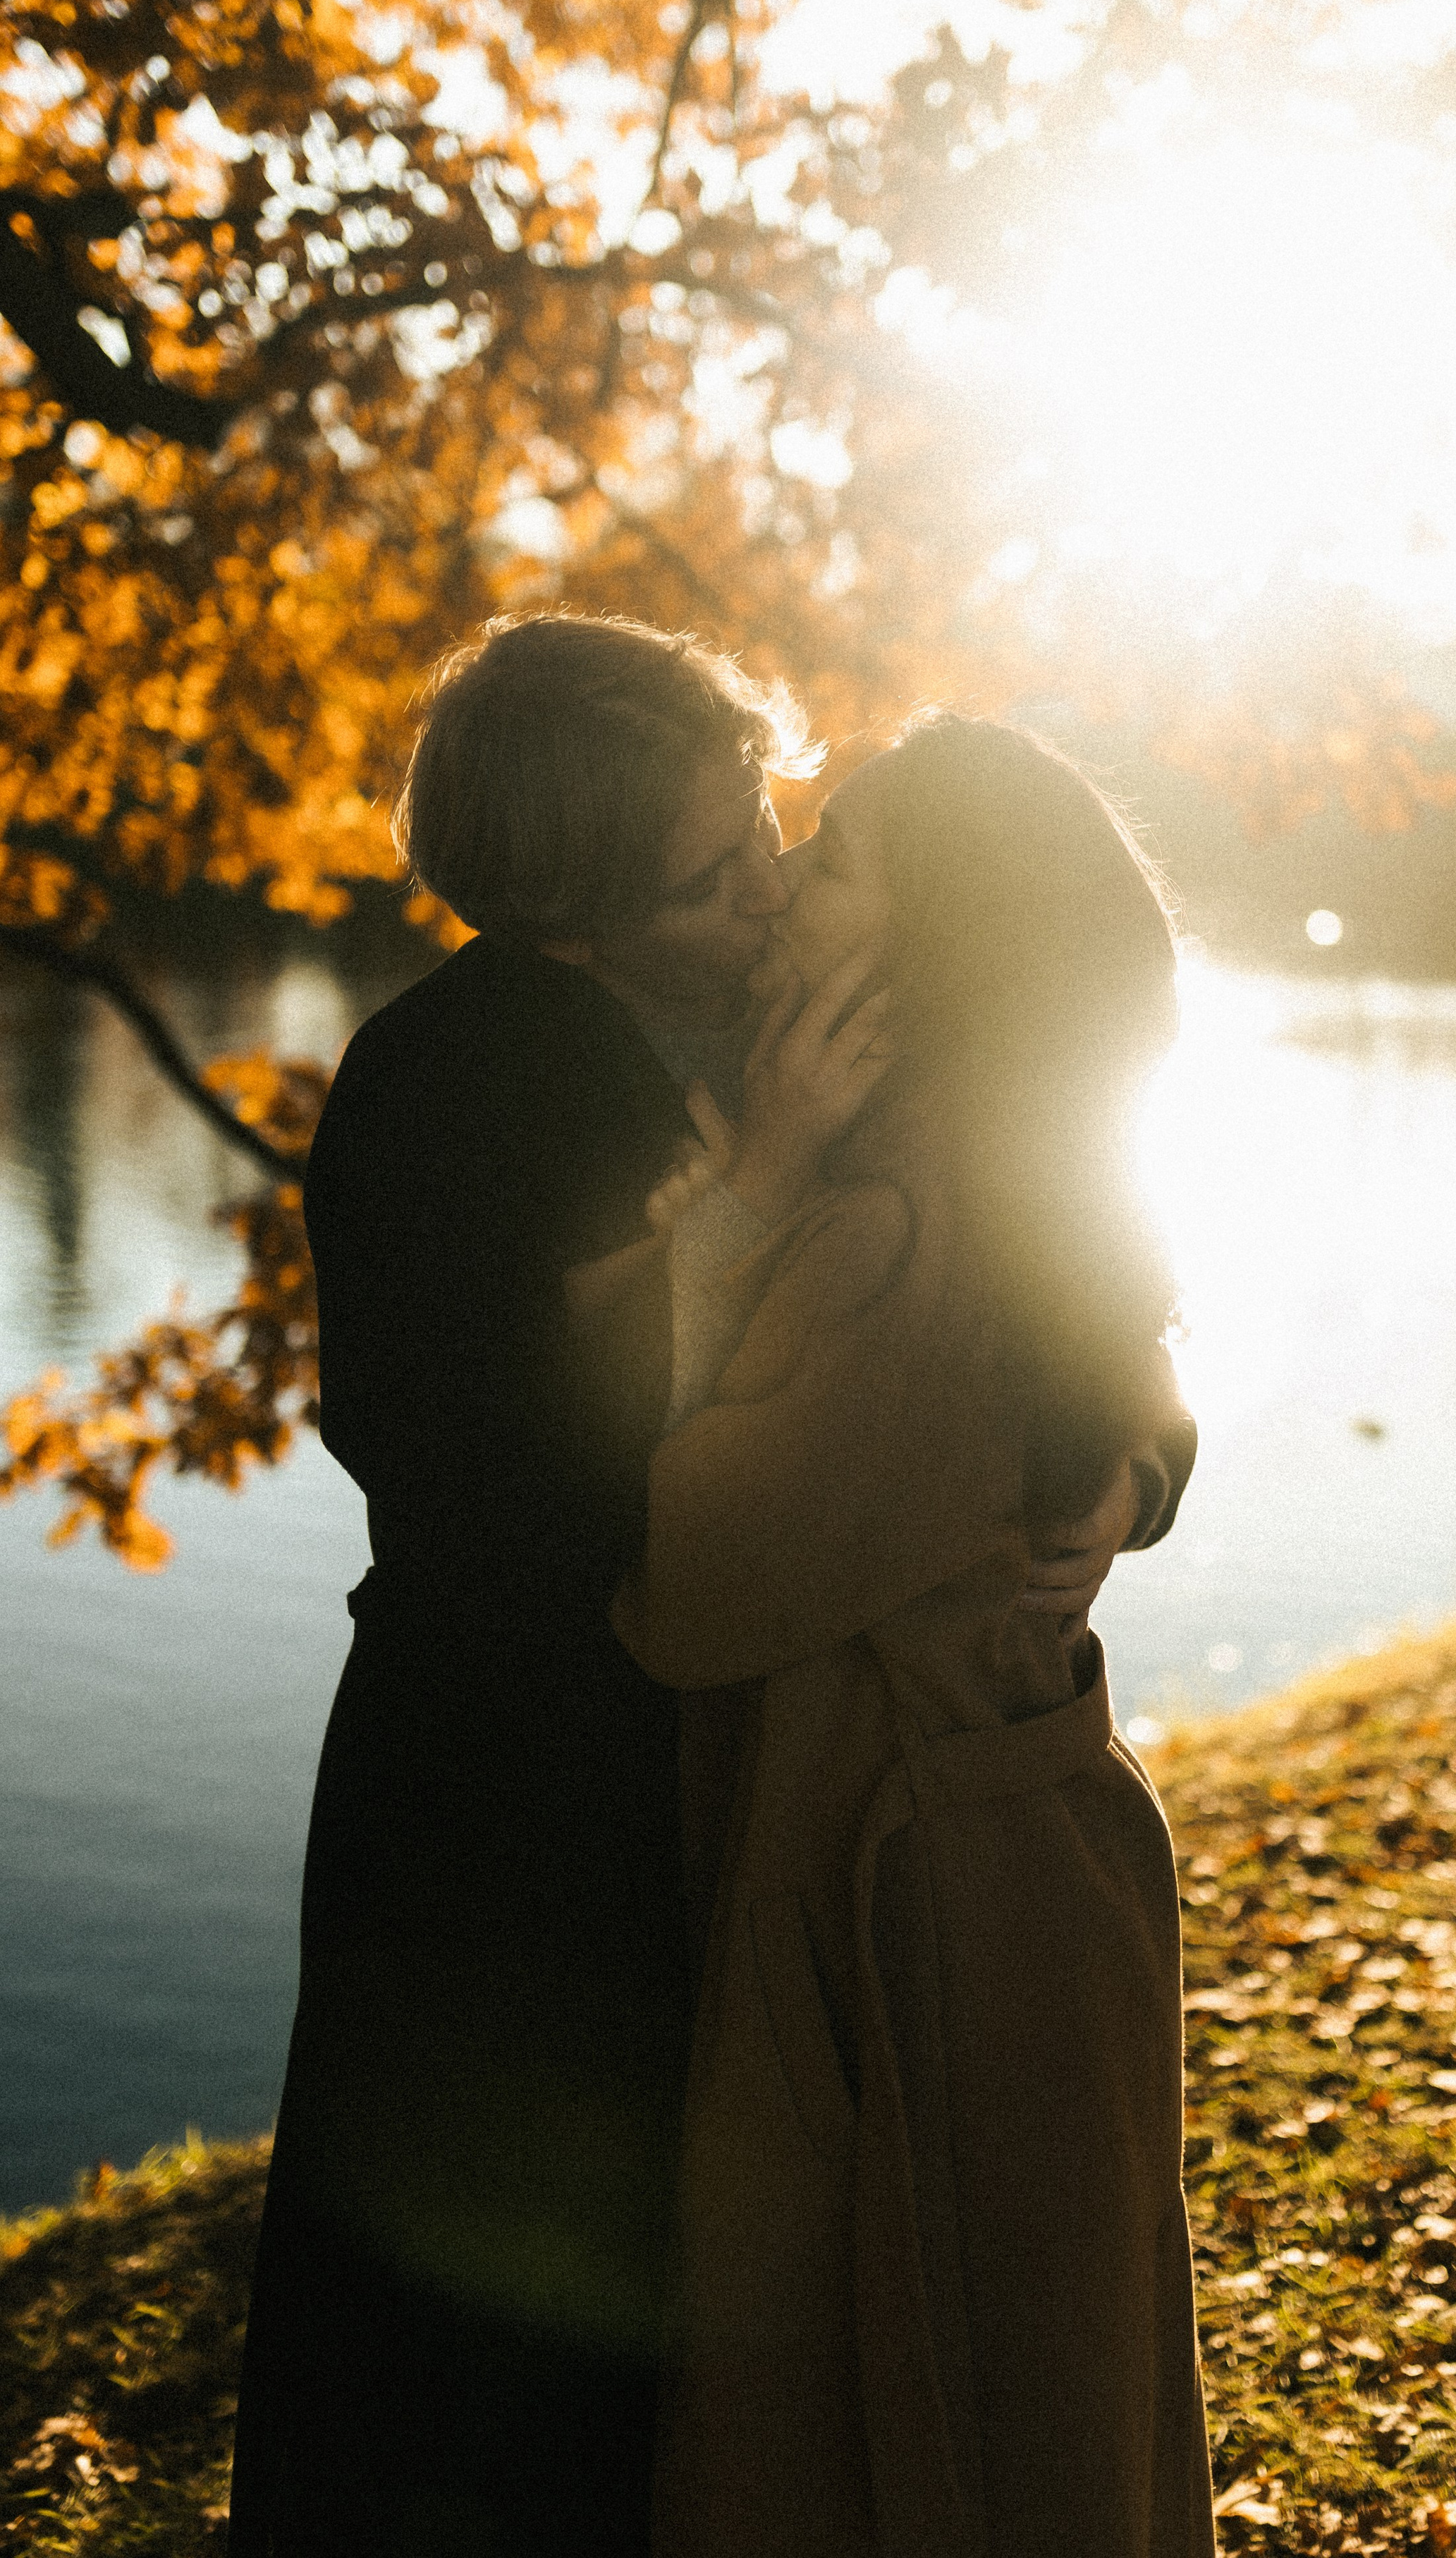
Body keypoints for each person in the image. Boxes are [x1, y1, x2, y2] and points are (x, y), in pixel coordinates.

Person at [228, 617, 1188, 2558]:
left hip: (758, 1797)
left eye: (765, 829)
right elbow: (531, 1469)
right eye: (710, 875)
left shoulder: (782, 1025)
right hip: (514, 1800)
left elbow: (1059, 1253)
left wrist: (1129, 1456)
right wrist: (759, 1192)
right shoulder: (458, 1090)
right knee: (482, 2366)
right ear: (569, 913)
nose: (762, 885)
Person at [614, 714, 1215, 2558]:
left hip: (905, 1921)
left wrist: (724, 1240)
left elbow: (683, 1591)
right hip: (1025, 1881)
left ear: (937, 944)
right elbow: (1123, 1372)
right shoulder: (1032, 1171)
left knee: (901, 2433)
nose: (787, 878)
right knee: (1041, 2411)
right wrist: (1136, 1467)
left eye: (839, 856)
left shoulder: (883, 1232)